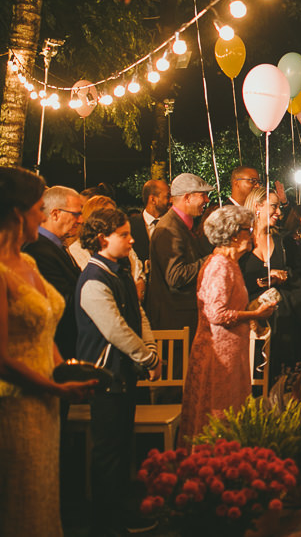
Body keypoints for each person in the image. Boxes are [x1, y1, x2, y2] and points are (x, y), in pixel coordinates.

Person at [0, 167, 96, 537]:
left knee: (43, 494)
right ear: (15, 214)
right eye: (38, 209)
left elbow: (45, 331)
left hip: (47, 398)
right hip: (17, 401)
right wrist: (54, 387)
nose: (42, 217)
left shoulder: (27, 262)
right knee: (20, 500)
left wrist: (67, 368)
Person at [74, 207, 161, 536]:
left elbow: (136, 313)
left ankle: (121, 513)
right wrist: (149, 359)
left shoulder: (118, 270)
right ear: (102, 238)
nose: (131, 238)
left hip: (124, 374)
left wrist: (150, 349)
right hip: (106, 375)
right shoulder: (94, 279)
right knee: (109, 452)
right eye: (124, 234)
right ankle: (104, 523)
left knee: (123, 447)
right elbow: (114, 330)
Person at [179, 207, 275, 443]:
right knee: (219, 414)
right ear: (233, 235)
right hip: (218, 357)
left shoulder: (230, 264)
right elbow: (216, 313)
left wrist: (252, 309)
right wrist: (254, 314)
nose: (252, 235)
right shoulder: (219, 266)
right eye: (248, 230)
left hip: (233, 352)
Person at [240, 188, 301, 379]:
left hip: (284, 321)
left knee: (282, 377)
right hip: (251, 322)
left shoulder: (283, 241)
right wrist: (264, 277)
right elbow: (234, 276)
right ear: (257, 207)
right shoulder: (241, 240)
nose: (279, 212)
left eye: (279, 207)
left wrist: (285, 276)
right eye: (274, 206)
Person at [21, 185, 84, 360]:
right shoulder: (37, 251)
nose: (80, 220)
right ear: (55, 214)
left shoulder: (56, 246)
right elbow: (61, 303)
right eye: (76, 214)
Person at [146, 173, 212, 331]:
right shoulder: (169, 229)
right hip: (175, 323)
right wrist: (213, 258)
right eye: (203, 195)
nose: (207, 200)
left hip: (183, 319)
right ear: (187, 198)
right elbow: (175, 276)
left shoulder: (182, 226)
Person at [67, 195, 146, 301]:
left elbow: (137, 273)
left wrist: (140, 283)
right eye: (106, 216)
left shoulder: (123, 247)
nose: (113, 220)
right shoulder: (77, 250)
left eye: (113, 214)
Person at [128, 179, 170, 266]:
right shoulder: (130, 226)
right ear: (153, 199)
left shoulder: (173, 224)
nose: (171, 201)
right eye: (167, 196)